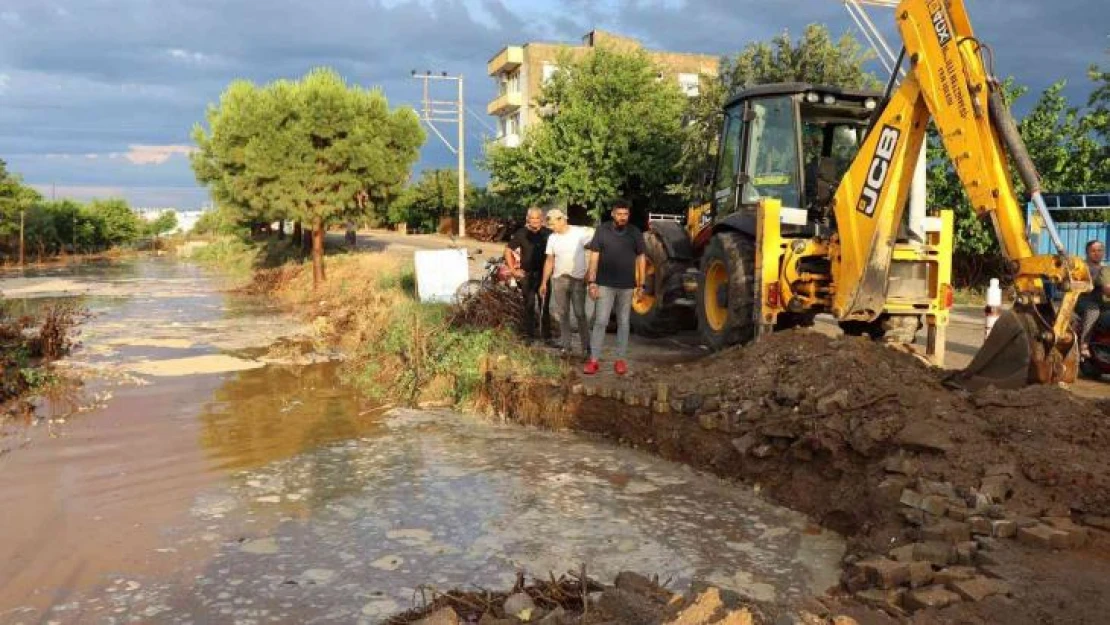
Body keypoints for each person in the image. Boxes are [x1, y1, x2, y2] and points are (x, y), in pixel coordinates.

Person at [583, 198, 646, 375]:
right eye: (619, 214)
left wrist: (641, 283)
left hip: (627, 286)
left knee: (623, 323)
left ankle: (620, 360)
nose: (622, 217)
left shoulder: (635, 232)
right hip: (604, 284)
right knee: (601, 321)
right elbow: (594, 257)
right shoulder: (602, 231)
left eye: (625, 214)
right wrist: (592, 281)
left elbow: (641, 258)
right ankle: (594, 360)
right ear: (612, 214)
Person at [538, 208, 592, 358]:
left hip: (577, 279)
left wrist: (590, 273)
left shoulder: (580, 233)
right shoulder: (552, 238)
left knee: (580, 313)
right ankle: (566, 346)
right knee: (563, 314)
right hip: (558, 279)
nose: (552, 228)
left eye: (553, 224)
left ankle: (586, 348)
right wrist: (544, 282)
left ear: (562, 220)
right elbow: (549, 260)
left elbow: (595, 247)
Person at [505, 207, 552, 342]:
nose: (535, 221)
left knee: (545, 306)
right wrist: (513, 271)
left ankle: (547, 337)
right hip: (527, 275)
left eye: (538, 218)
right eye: (532, 218)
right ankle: (529, 336)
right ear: (528, 219)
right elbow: (508, 250)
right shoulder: (521, 233)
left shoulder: (548, 234)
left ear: (541, 219)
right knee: (529, 305)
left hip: (544, 276)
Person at [1077, 239, 1110, 357]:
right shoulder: (1081, 267)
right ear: (1087, 252)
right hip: (1084, 301)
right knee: (1093, 309)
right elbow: (1107, 288)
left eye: (1100, 250)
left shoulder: (1106, 268)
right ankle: (1084, 344)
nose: (1097, 253)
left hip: (1103, 303)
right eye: (1093, 251)